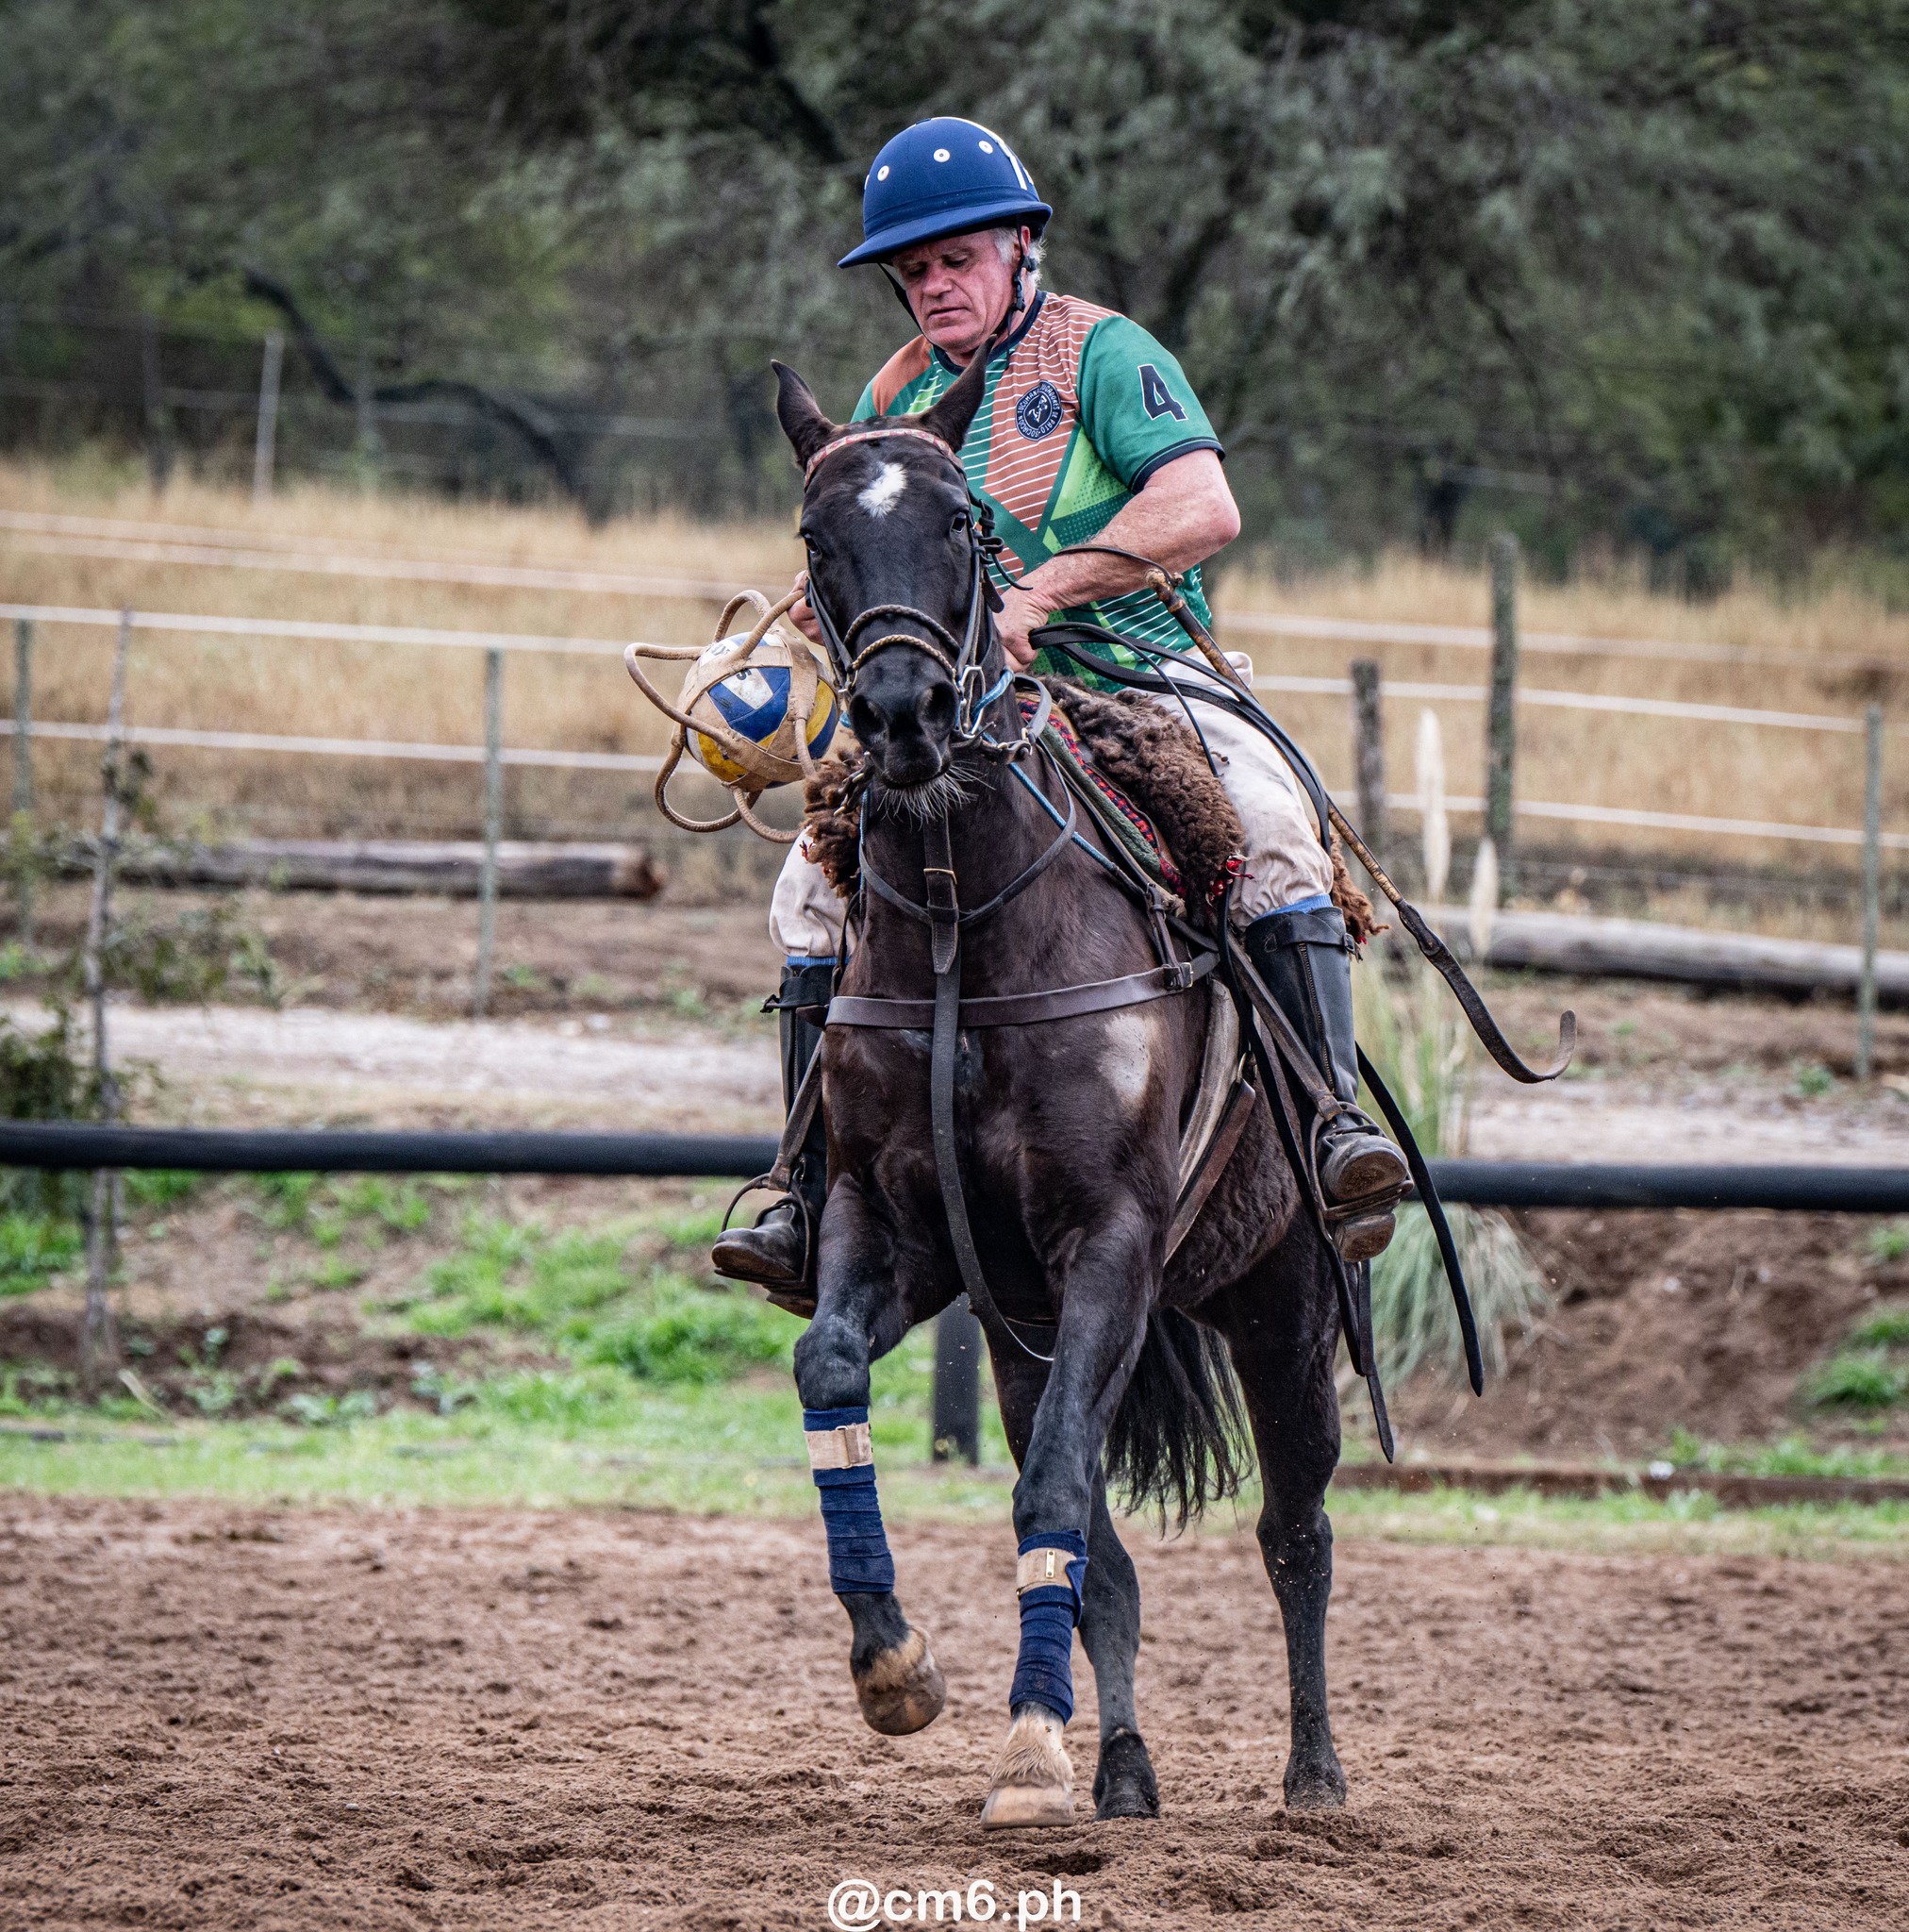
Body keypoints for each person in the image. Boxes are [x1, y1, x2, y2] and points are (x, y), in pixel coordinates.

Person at [714, 117, 1407, 1295]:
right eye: (914, 268)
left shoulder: (1103, 352)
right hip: (974, 707)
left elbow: (1200, 505)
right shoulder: (897, 388)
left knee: (1275, 828)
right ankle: (801, 1185)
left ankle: (1330, 1127)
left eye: (956, 259)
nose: (933, 284)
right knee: (803, 888)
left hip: (1142, 674)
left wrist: (1042, 586)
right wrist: (786, 626)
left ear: (1019, 245)